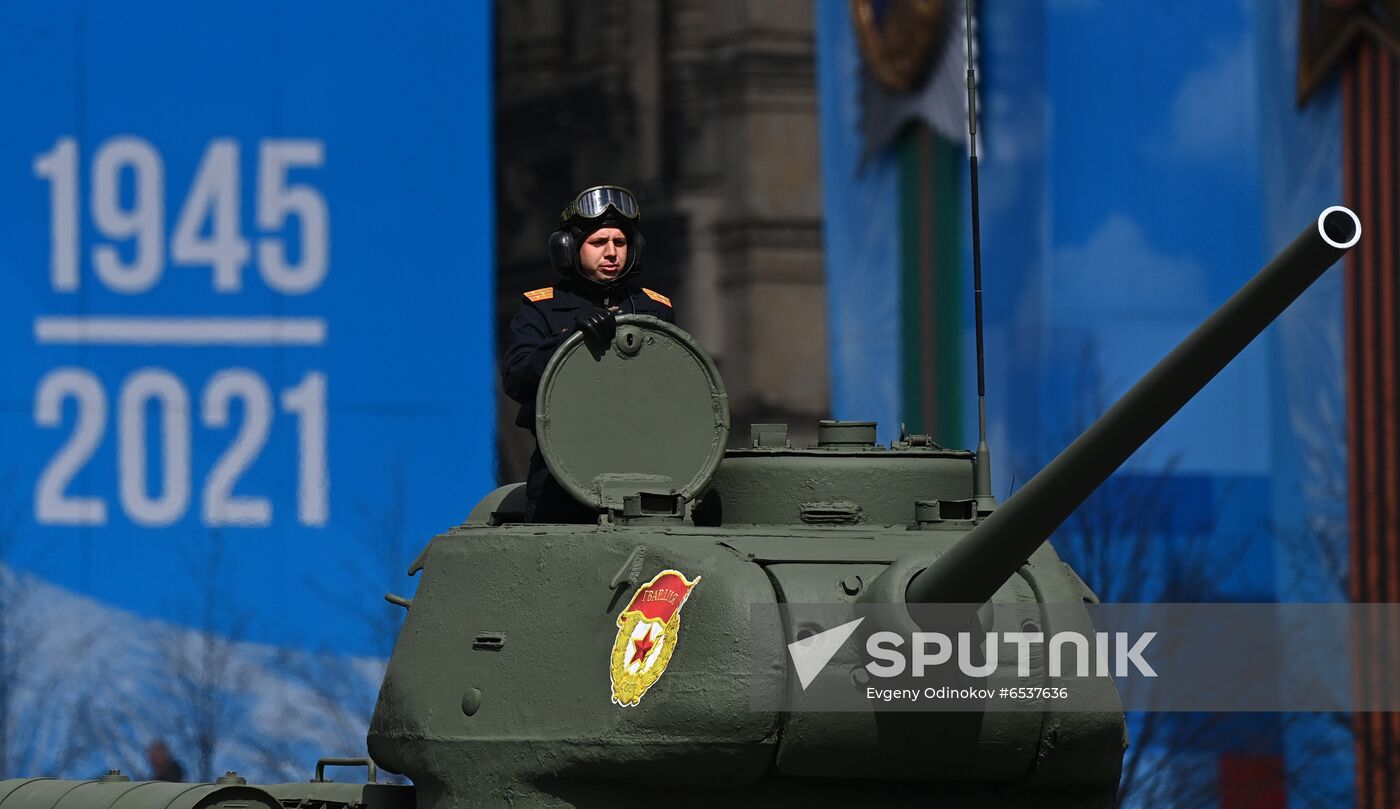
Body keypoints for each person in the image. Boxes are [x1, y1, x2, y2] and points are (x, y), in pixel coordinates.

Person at [502, 185, 676, 522]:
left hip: (644, 473)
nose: (611, 253)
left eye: (620, 243)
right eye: (598, 243)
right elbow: (516, 377)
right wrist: (570, 340)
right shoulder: (541, 307)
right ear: (569, 249)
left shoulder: (655, 309)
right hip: (561, 476)